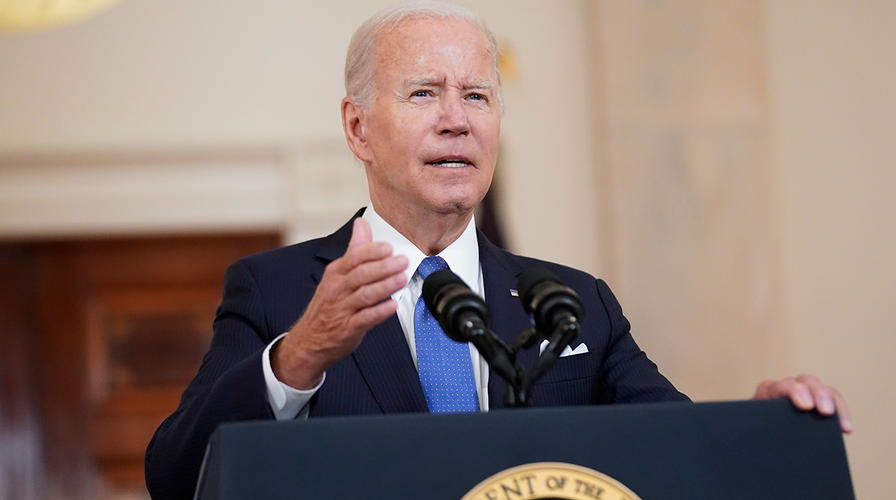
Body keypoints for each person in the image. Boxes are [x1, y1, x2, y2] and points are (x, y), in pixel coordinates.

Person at [144, 2, 851, 499]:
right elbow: (176, 477)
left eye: (477, 96)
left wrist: (763, 425)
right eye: (424, 93)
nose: (457, 120)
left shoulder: (577, 305)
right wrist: (297, 358)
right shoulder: (276, 290)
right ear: (358, 128)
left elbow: (675, 452)